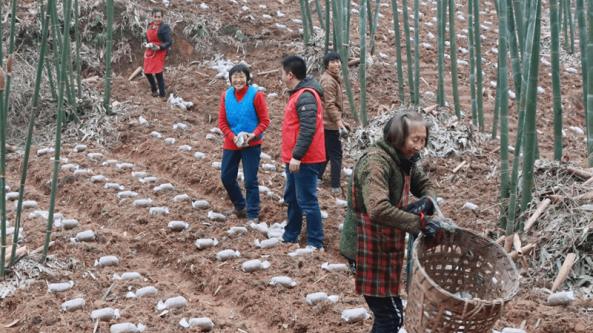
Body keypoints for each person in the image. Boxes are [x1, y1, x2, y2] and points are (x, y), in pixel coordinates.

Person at [338, 110, 441, 332]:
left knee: (390, 314)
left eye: (423, 140)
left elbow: (426, 184)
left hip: (381, 244)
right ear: (397, 138)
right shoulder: (376, 163)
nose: (420, 147)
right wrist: (417, 223)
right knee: (390, 317)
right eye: (415, 140)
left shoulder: (403, 160)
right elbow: (377, 210)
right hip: (364, 247)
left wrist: (427, 201)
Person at [279, 55, 326, 251]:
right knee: (293, 198)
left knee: (307, 200)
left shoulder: (305, 96)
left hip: (305, 160)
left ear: (290, 75)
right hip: (295, 158)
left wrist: (297, 156)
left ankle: (315, 242)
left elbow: (308, 129)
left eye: (281, 73)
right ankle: (291, 236)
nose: (280, 77)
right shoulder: (297, 93)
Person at [218, 64, 270, 223]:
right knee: (226, 177)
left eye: (242, 76)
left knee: (250, 180)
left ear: (247, 78)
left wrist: (253, 135)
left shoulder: (256, 95)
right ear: (230, 79)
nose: (238, 80)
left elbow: (264, 121)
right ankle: (240, 205)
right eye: (235, 77)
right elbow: (221, 122)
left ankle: (253, 212)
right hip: (231, 143)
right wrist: (232, 136)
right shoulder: (226, 95)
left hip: (251, 144)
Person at [318, 52, 350, 194]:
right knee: (336, 154)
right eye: (332, 62)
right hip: (329, 124)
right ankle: (335, 185)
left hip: (327, 122)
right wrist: (339, 123)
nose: (336, 64)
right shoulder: (329, 81)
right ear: (326, 65)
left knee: (326, 152)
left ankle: (317, 178)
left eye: (338, 61)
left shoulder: (331, 78)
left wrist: (341, 121)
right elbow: (330, 105)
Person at [143, 9, 172, 100]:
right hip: (150, 49)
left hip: (160, 50)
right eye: (155, 17)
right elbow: (145, 36)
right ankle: (154, 89)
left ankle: (162, 94)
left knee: (158, 72)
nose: (157, 19)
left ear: (162, 17)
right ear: (152, 17)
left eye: (159, 17)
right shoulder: (149, 25)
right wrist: (145, 42)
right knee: (147, 71)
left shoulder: (165, 27)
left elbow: (169, 42)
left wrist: (159, 47)